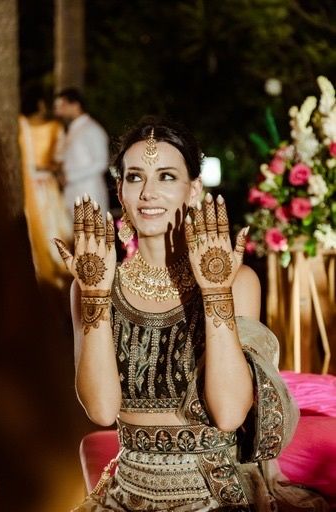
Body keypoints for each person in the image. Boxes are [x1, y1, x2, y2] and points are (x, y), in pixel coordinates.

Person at [54, 117, 329, 511]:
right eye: (134, 177)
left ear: (194, 188)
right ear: (120, 189)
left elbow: (231, 412)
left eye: (166, 176)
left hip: (214, 491)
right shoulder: (92, 282)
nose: (148, 193)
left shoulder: (236, 280)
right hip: (127, 490)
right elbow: (101, 410)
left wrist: (214, 292)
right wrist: (96, 295)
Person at [19, 86, 72, 287]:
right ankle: (59, 274)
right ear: (40, 104)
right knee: (52, 225)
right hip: (46, 184)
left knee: (34, 228)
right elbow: (60, 158)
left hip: (27, 185)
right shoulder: (54, 127)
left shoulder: (18, 125)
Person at [54, 88, 109, 216]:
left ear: (76, 105)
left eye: (62, 105)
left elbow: (101, 162)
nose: (58, 110)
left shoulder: (92, 129)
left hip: (90, 193)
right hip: (72, 194)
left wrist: (70, 177)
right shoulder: (72, 130)